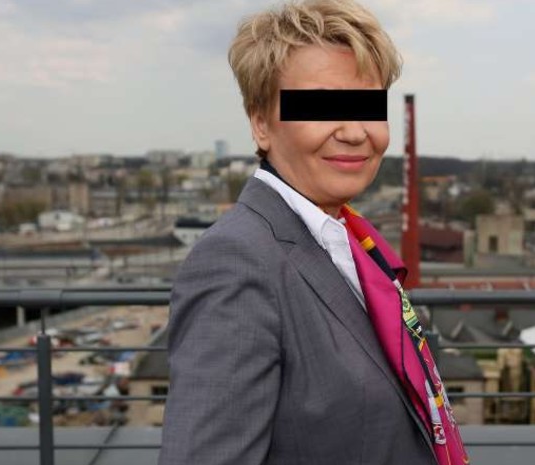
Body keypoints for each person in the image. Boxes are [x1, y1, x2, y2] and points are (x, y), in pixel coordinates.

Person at [158, 1, 469, 464]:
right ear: (261, 123)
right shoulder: (235, 262)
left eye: (368, 108)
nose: (354, 132)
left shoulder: (349, 242)